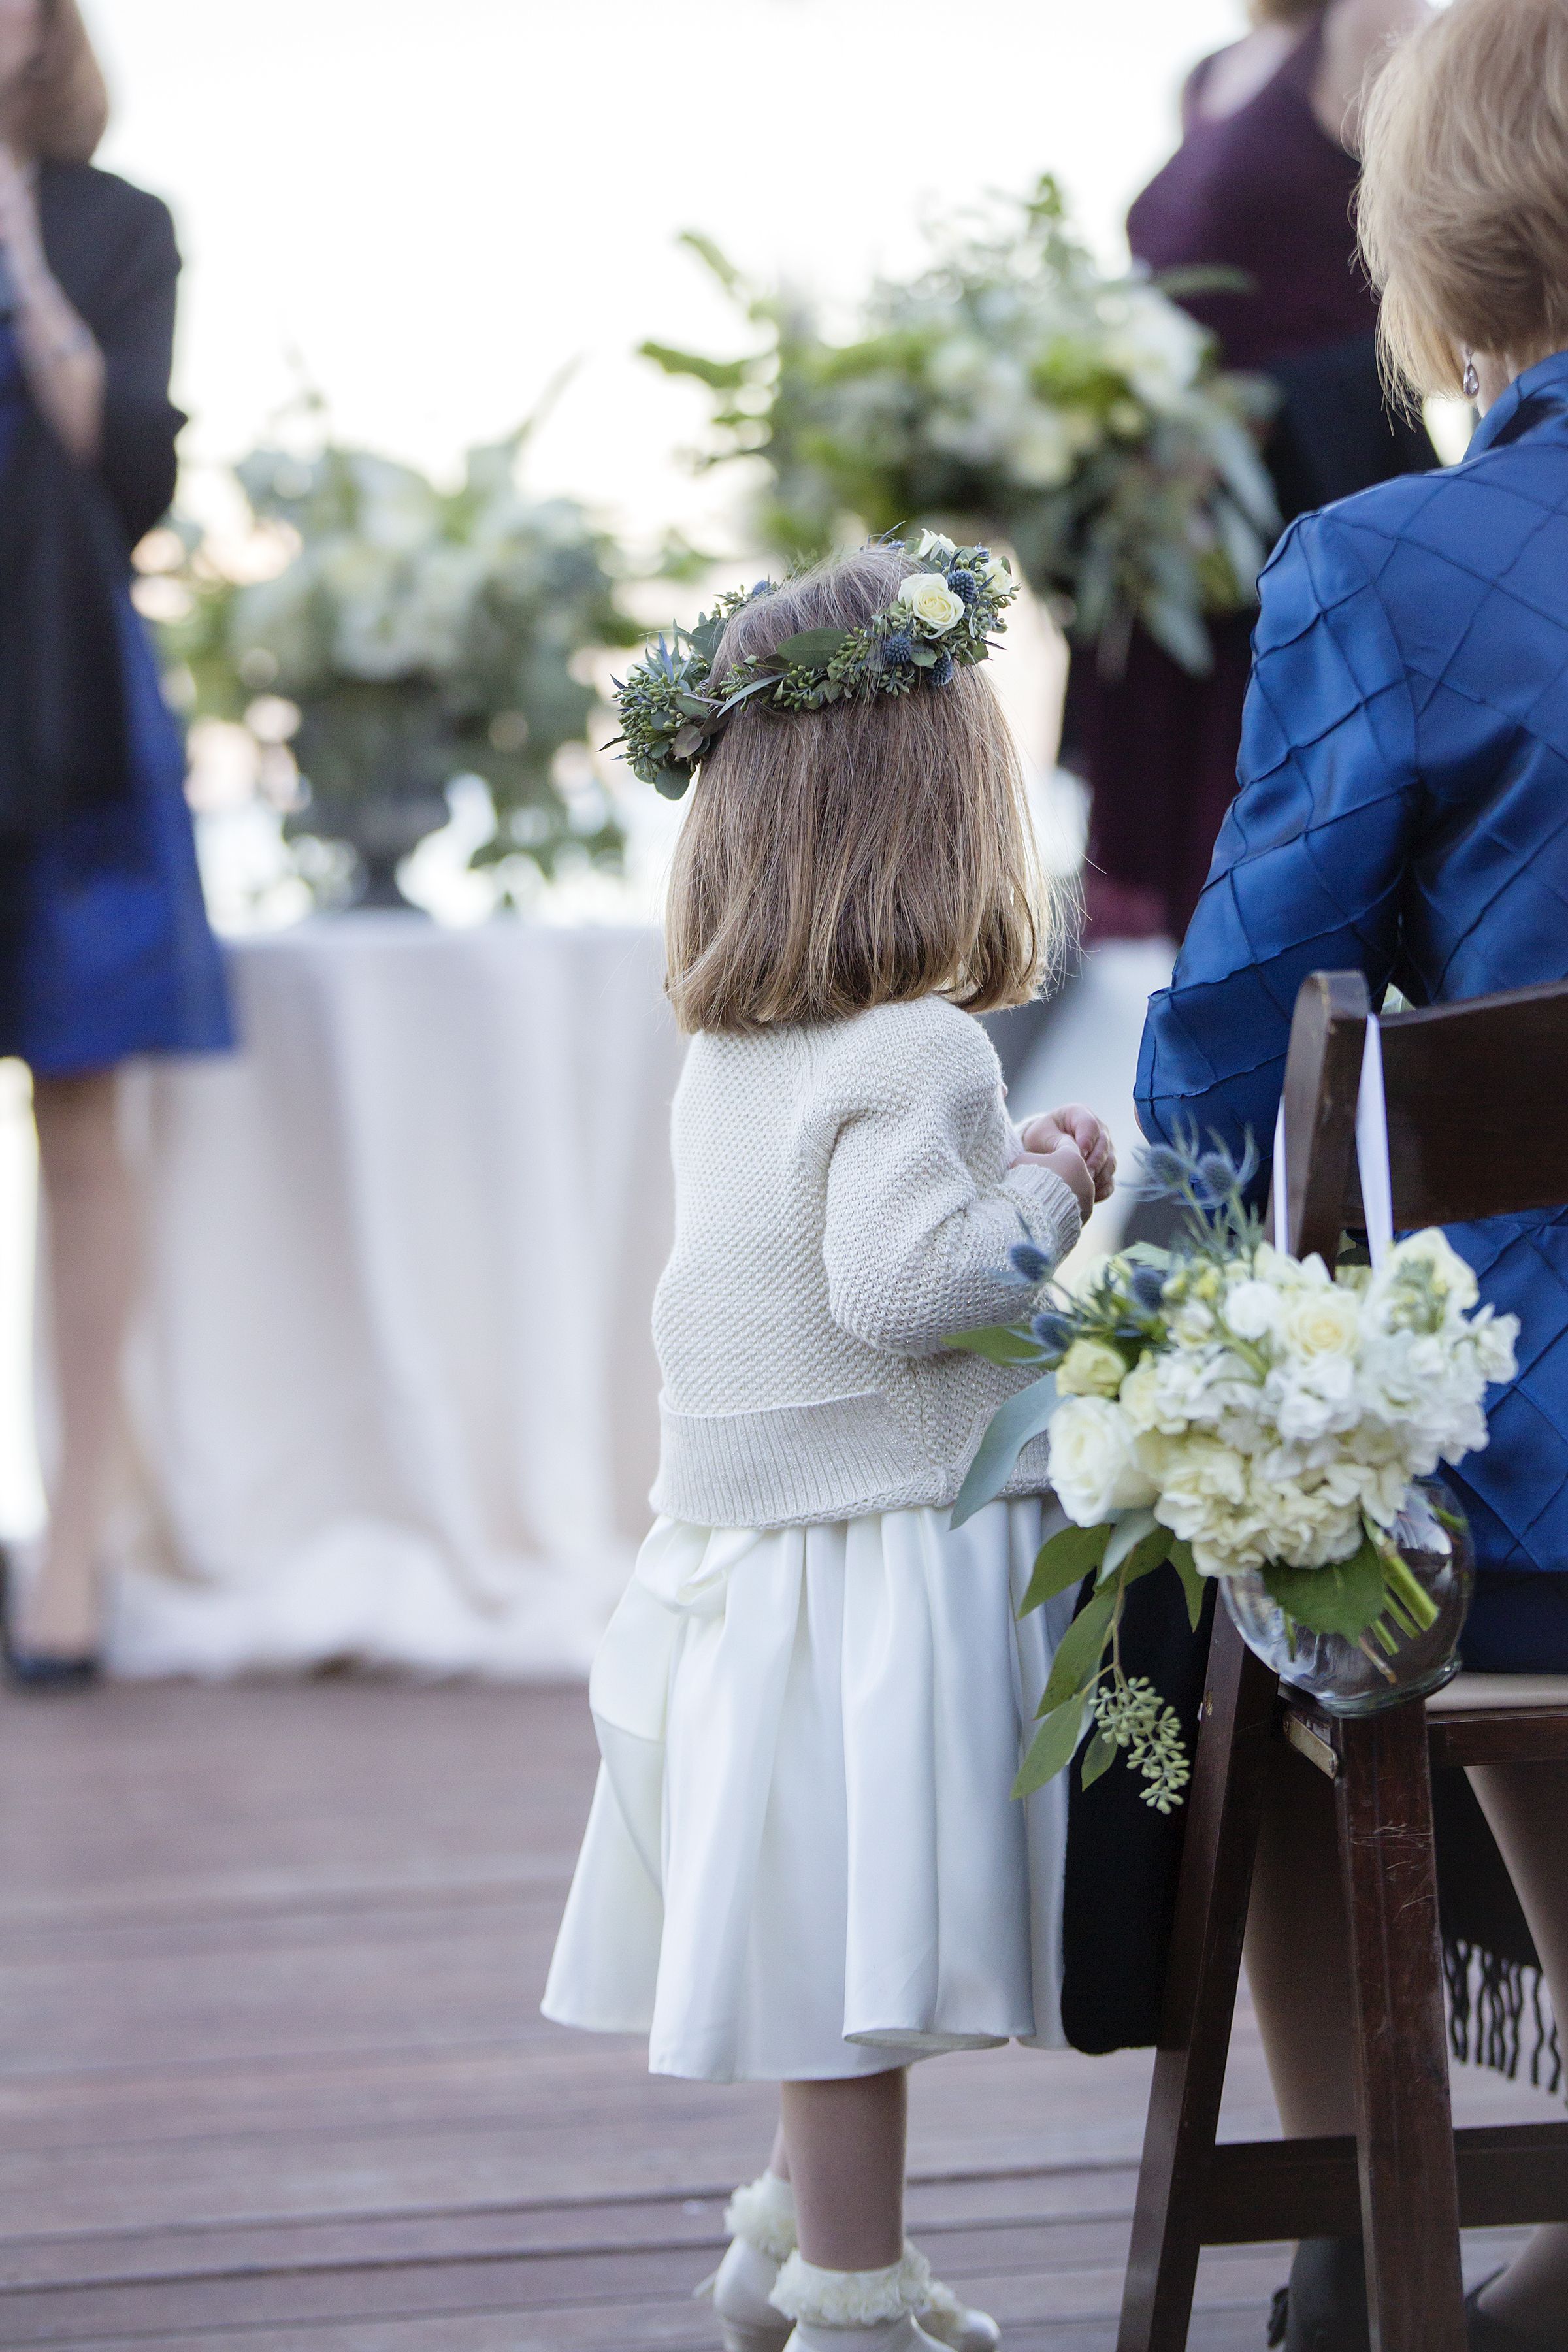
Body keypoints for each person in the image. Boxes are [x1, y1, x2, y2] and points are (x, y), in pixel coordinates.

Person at [542, 544, 1116, 2352]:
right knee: (856, 1966)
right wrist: (1055, 1183)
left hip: (754, 1559)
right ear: (945, 820)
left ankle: (786, 2233)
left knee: (811, 1924)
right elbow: (904, 1289)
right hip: (882, 1558)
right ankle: (855, 2295)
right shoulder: (919, 1049)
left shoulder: (739, 1051)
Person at [1137, 1, 1568, 2343]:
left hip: (1545, 1519)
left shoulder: (1390, 569)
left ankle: (1349, 2263)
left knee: (1227, 1497)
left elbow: (1222, 1077)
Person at [0, 0, 231, 1683]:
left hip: (61, 692)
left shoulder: (115, 221)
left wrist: (14, 228)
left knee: (83, 1107)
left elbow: (123, 468)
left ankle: (72, 1548)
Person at [1066, 0, 1432, 946]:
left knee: (1273, 841)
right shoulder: (1205, 72)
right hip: (1179, 524)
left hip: (1301, 488)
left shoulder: (1369, 20)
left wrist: (1257, 410)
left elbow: (1430, 241)